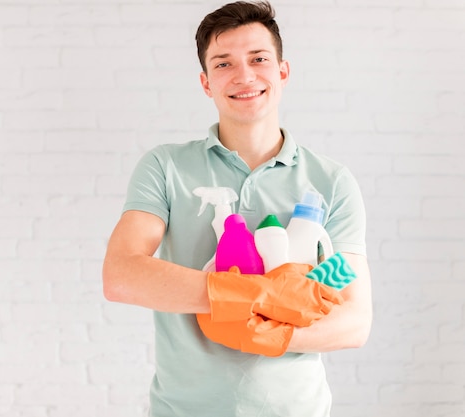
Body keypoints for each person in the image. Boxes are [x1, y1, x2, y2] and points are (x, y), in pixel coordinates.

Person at [102, 1, 373, 416]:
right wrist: (260, 295)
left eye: (259, 59)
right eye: (223, 64)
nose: (244, 75)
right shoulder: (167, 167)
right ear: (206, 83)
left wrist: (263, 334)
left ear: (282, 71)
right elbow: (121, 275)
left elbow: (354, 321)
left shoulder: (330, 182)